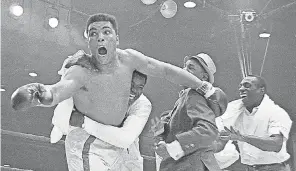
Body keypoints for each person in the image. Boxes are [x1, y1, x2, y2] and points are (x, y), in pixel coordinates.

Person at [11, 13, 214, 170]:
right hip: (89, 143)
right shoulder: (82, 70)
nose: (100, 38)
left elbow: (165, 70)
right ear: (88, 41)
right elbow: (61, 89)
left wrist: (201, 86)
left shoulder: (131, 63)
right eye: (93, 34)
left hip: (121, 145)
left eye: (106, 32)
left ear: (117, 38)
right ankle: (59, 125)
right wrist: (44, 94)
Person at [152, 53, 228, 171]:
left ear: (204, 78)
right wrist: (162, 139)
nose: (184, 70)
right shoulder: (185, 97)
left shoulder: (193, 94)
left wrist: (173, 148)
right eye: (184, 67)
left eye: (190, 68)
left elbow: (207, 130)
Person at [67, 70, 151, 171]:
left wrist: (84, 122)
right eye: (130, 83)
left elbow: (125, 139)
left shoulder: (142, 104)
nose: (134, 90)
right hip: (90, 151)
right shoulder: (99, 88)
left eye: (140, 87)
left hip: (123, 158)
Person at [218, 75, 292, 171]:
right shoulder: (234, 110)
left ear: (261, 90)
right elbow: (221, 140)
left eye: (247, 85)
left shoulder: (276, 112)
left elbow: (276, 144)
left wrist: (242, 138)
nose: (241, 89)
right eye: (240, 86)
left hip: (275, 168)